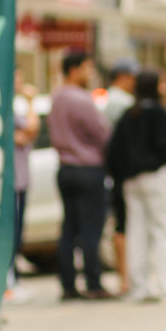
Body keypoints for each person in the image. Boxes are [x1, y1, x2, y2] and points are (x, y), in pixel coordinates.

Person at [107, 68, 166, 303]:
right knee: (163, 230)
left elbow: (113, 150)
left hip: (131, 181)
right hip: (155, 177)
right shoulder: (157, 113)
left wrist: (124, 173)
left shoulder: (129, 113)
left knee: (136, 232)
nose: (165, 87)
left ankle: (139, 286)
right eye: (162, 82)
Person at [48, 51, 114, 300]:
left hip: (65, 169)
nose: (91, 74)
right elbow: (102, 134)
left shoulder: (56, 98)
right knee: (90, 229)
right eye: (87, 68)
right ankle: (93, 283)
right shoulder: (81, 99)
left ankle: (68, 284)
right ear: (74, 69)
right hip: (88, 170)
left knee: (69, 228)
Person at [103, 60, 139, 295]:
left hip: (115, 169)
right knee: (124, 224)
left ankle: (126, 277)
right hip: (124, 172)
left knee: (122, 223)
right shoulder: (122, 103)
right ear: (123, 76)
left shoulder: (108, 100)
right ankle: (126, 278)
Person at [6, 67, 40, 304]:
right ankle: (8, 283)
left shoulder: (12, 109)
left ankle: (13, 280)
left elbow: (30, 132)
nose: (19, 81)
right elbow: (28, 130)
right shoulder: (2, 111)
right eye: (15, 77)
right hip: (10, 183)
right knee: (10, 234)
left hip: (20, 181)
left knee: (18, 234)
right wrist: (31, 102)